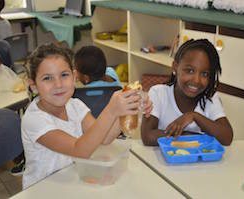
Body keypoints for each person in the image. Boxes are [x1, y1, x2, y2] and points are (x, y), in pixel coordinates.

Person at [21, 43, 152, 189]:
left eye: (64, 75)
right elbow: (79, 150)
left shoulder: (75, 105)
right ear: (33, 85)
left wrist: (129, 108)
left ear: (74, 76)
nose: (58, 84)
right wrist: (112, 110)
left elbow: (105, 138)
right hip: (42, 190)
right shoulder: (35, 119)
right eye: (47, 78)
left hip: (71, 181)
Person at [141, 39, 233, 146]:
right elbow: (148, 136)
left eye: (205, 74)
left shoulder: (210, 98)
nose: (196, 80)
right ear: (175, 67)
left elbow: (227, 137)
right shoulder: (158, 93)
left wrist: (194, 116)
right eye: (189, 71)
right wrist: (188, 136)